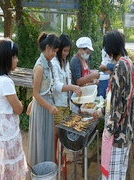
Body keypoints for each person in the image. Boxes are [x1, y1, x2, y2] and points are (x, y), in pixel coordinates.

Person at [93, 30, 134, 180]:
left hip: (117, 135)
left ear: (111, 49)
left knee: (112, 176)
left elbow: (117, 106)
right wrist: (101, 112)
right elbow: (123, 98)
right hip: (126, 130)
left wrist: (108, 131)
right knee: (119, 175)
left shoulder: (119, 67)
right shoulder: (129, 63)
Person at [0, 39, 27, 179]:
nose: (17, 60)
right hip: (9, 134)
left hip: (1, 132)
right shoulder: (6, 82)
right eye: (15, 57)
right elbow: (18, 109)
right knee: (12, 166)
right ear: (8, 58)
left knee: (5, 165)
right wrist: (22, 103)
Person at [26, 32, 60, 179]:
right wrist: (49, 107)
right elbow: (36, 94)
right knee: (41, 140)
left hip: (46, 107)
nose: (54, 54)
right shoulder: (40, 67)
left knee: (48, 140)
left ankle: (47, 173)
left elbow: (45, 89)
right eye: (54, 51)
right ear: (47, 47)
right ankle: (39, 174)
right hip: (42, 109)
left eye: (56, 52)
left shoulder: (49, 63)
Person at [51, 34, 82, 164]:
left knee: (63, 133)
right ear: (58, 49)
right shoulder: (54, 63)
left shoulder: (66, 62)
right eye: (64, 50)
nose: (66, 53)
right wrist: (73, 87)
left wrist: (72, 89)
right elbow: (56, 85)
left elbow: (67, 79)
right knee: (56, 134)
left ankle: (62, 157)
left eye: (68, 51)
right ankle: (55, 159)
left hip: (66, 103)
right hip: (57, 104)